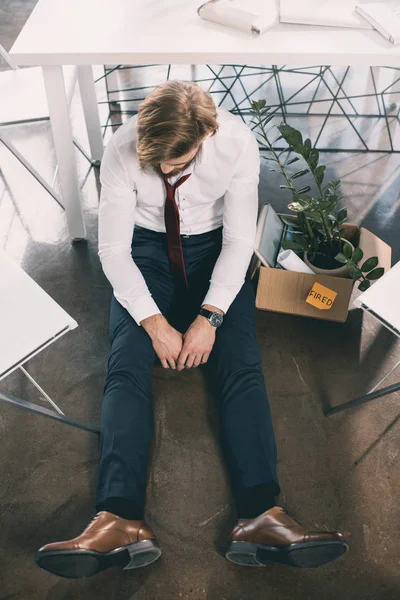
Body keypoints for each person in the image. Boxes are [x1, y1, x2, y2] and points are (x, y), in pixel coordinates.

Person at [35, 80, 348, 579]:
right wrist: (154, 323)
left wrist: (211, 318)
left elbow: (240, 238)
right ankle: (117, 518)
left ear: (205, 137)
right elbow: (113, 251)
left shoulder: (237, 143)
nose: (163, 171)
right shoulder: (122, 147)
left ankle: (262, 515)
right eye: (154, 163)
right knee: (125, 368)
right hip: (145, 252)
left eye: (176, 164)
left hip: (214, 251)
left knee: (242, 366)